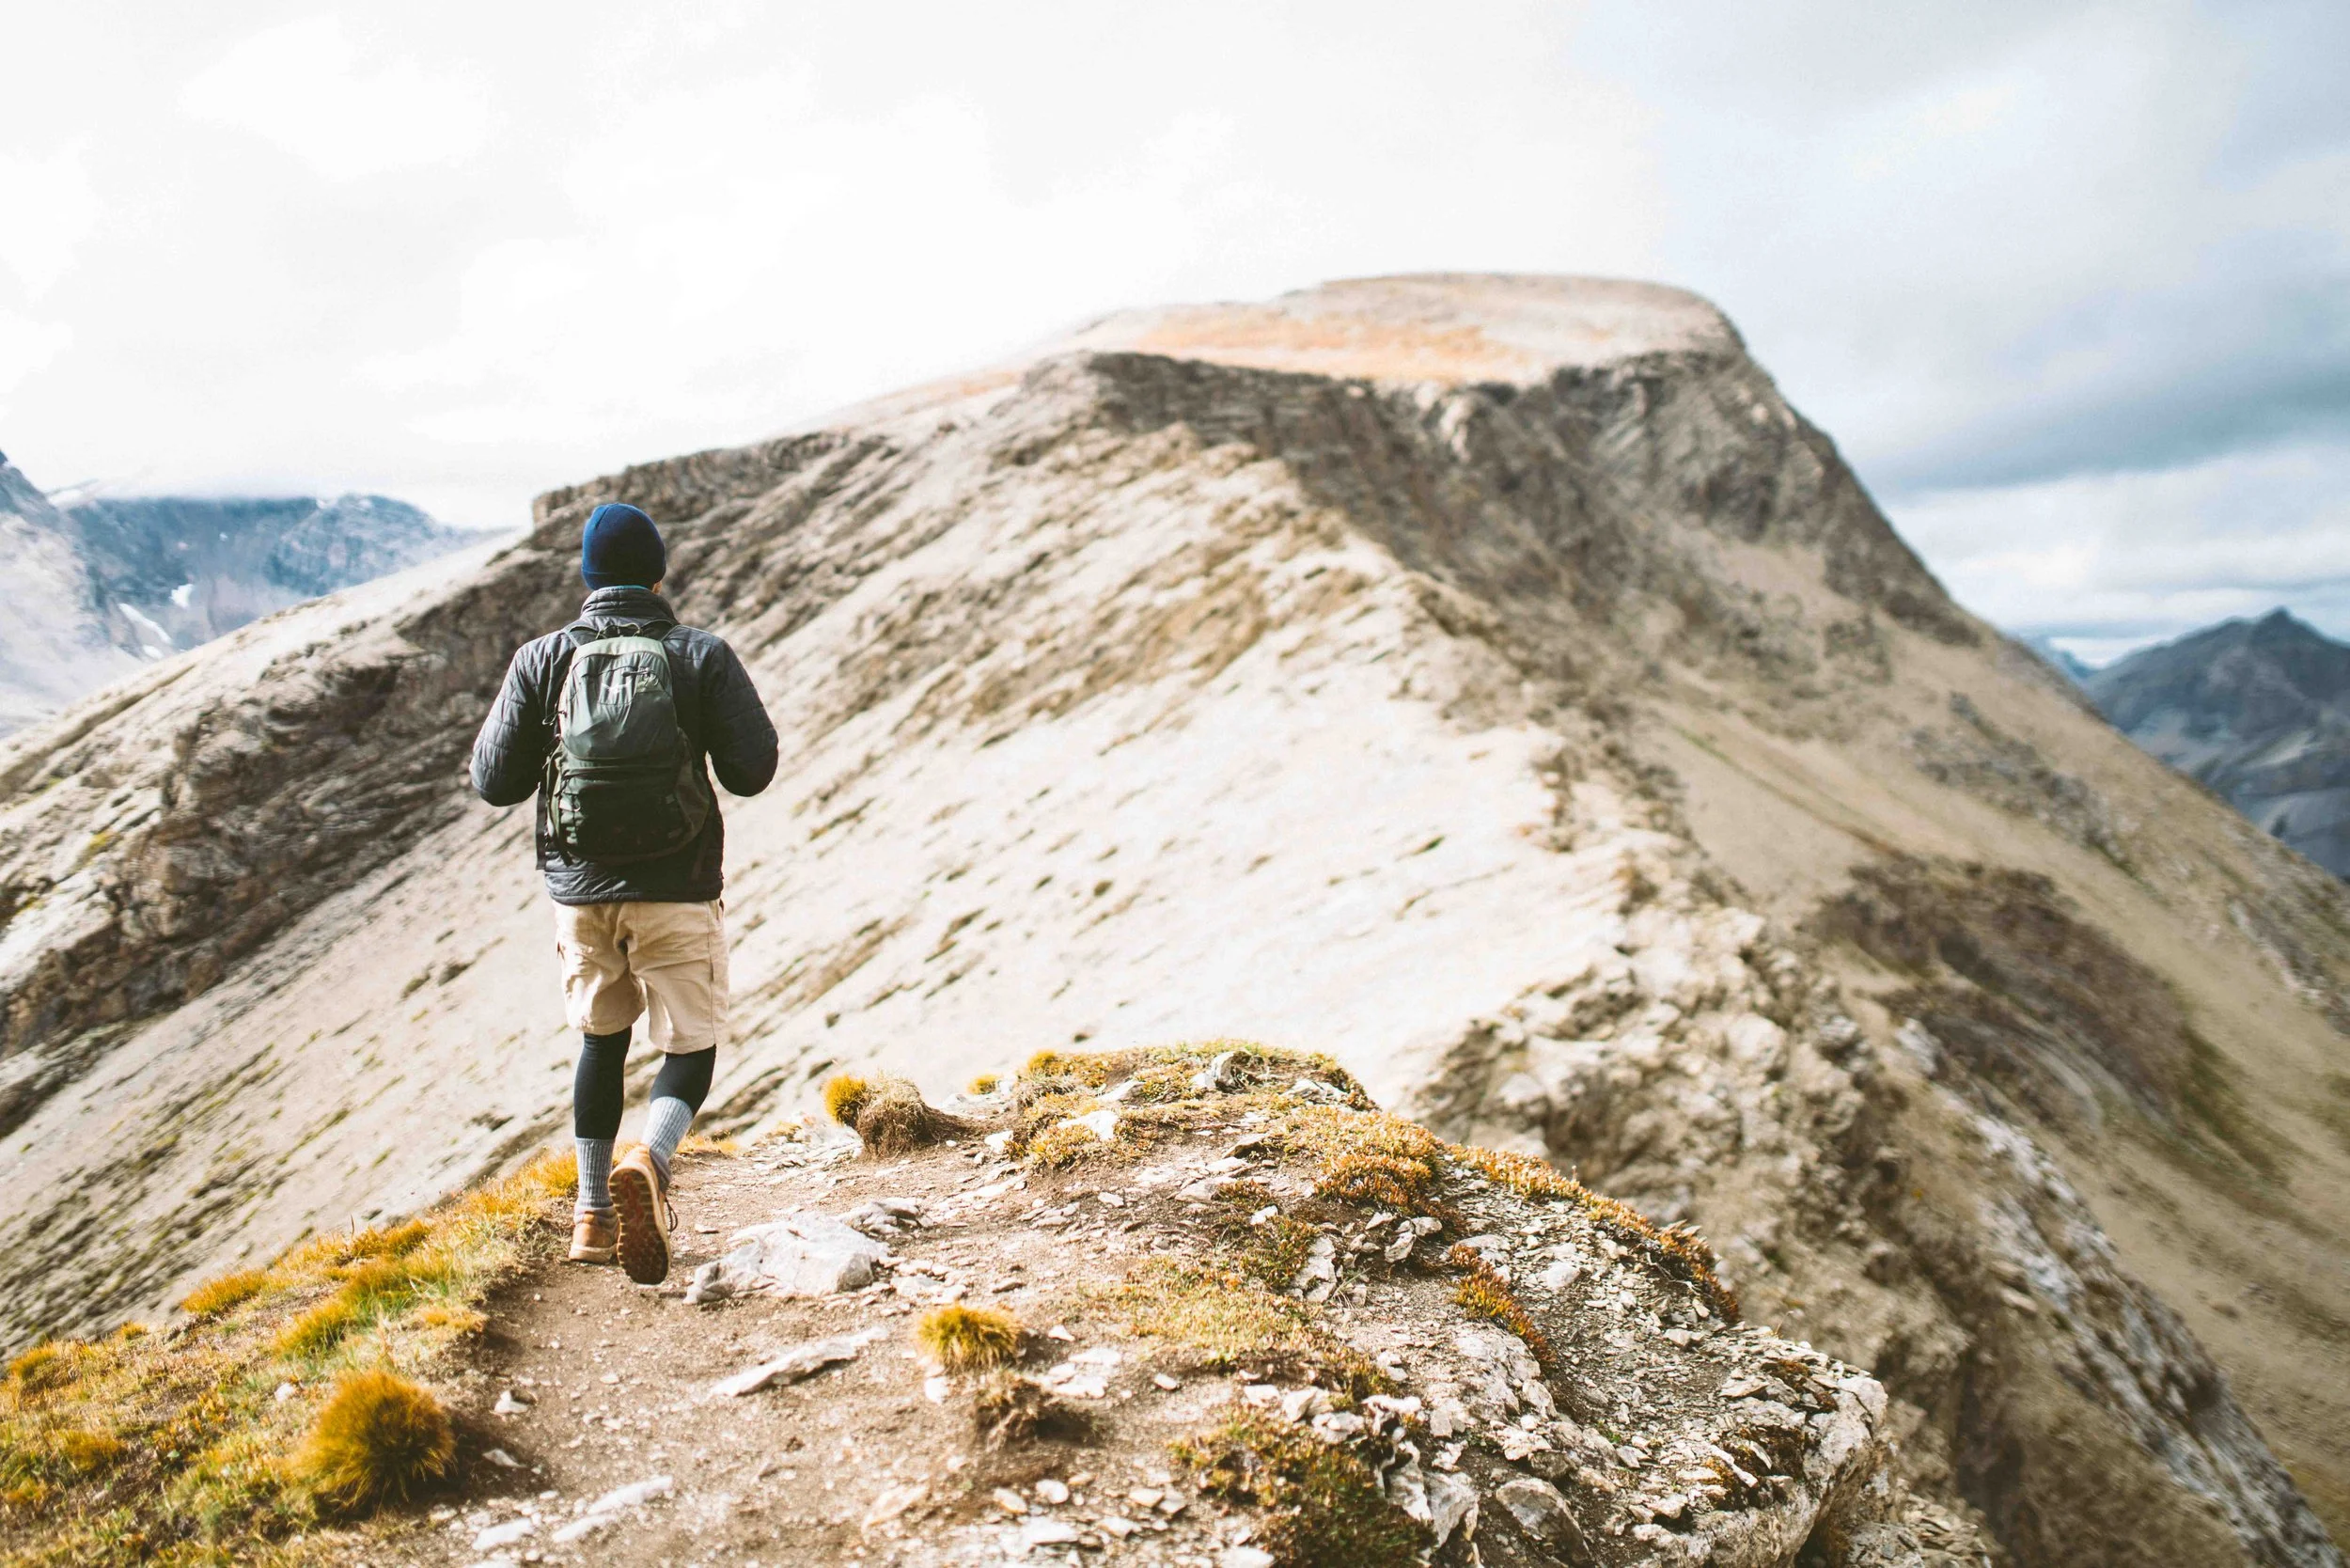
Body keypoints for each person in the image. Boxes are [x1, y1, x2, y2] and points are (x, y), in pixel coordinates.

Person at [469, 502, 777, 1283]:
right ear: (658, 574)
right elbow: (753, 770)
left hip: (580, 891)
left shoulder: (542, 658)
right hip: (677, 885)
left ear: (587, 579)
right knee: (690, 1044)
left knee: (600, 1041)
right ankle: (652, 1160)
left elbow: (492, 782)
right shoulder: (697, 654)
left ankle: (590, 1213)